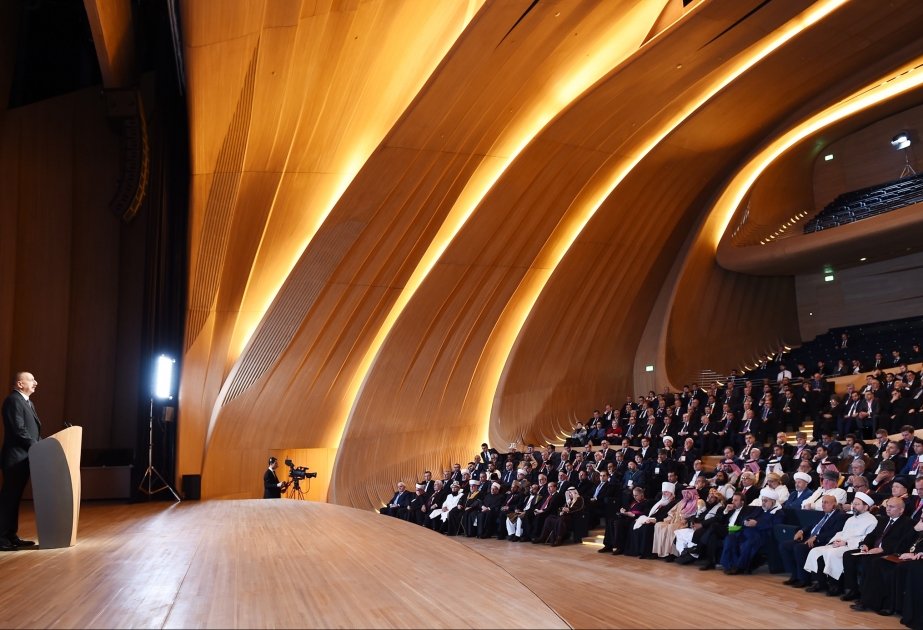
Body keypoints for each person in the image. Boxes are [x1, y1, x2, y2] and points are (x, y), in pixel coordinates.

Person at [0, 372, 41, 551]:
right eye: (31, 380)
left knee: (16, 499)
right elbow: (19, 430)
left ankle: (11, 535)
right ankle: (1, 537)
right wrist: (38, 446)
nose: (35, 383)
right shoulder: (13, 401)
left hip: (24, 458)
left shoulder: (27, 402)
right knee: (8, 499)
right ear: (19, 384)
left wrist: (42, 444)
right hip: (15, 458)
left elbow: (31, 431)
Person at [779, 495, 848, 588]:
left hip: (821, 541)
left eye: (826, 502)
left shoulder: (839, 516)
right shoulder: (820, 514)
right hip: (808, 538)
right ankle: (795, 575)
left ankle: (805, 579)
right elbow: (811, 525)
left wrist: (817, 537)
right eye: (822, 502)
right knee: (784, 546)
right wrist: (801, 531)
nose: (823, 505)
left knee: (799, 548)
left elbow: (834, 532)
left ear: (834, 504)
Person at [720, 487, 784, 575]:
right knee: (731, 538)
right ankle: (731, 564)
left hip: (760, 535)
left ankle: (740, 567)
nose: (763, 503)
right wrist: (747, 521)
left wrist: (756, 524)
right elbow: (747, 517)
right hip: (746, 531)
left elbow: (775, 526)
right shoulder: (759, 509)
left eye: (765, 501)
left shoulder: (779, 513)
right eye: (762, 500)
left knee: (749, 543)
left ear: (773, 502)